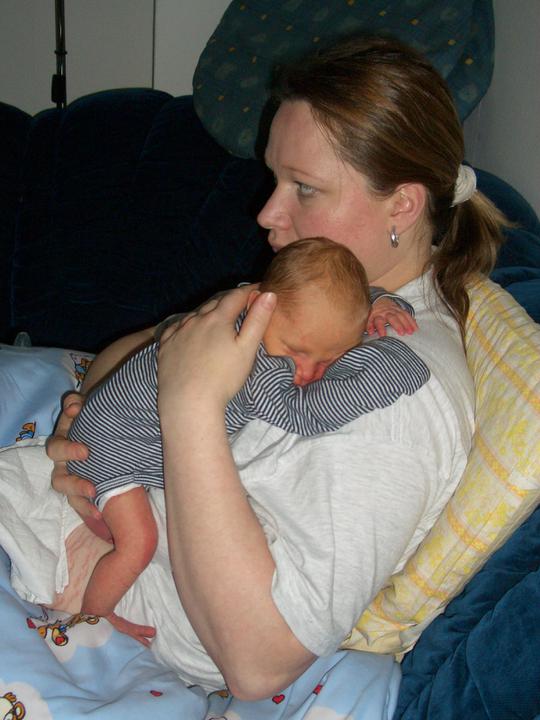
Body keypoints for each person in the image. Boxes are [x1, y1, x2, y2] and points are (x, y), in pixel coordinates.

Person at [47, 35, 508, 701]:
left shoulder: (393, 391)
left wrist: (186, 404)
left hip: (108, 605)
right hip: (87, 510)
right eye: (275, 179)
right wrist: (94, 428)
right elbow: (144, 352)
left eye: (305, 188)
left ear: (403, 206)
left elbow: (261, 664)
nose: (266, 213)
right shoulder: (331, 299)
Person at [64, 236, 420, 626]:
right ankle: (94, 615)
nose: (307, 372)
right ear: (257, 307)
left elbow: (337, 307)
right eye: (296, 352)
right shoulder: (253, 362)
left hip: (115, 422)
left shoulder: (278, 316)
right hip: (110, 447)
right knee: (139, 545)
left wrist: (383, 304)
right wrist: (389, 373)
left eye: (328, 359)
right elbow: (306, 415)